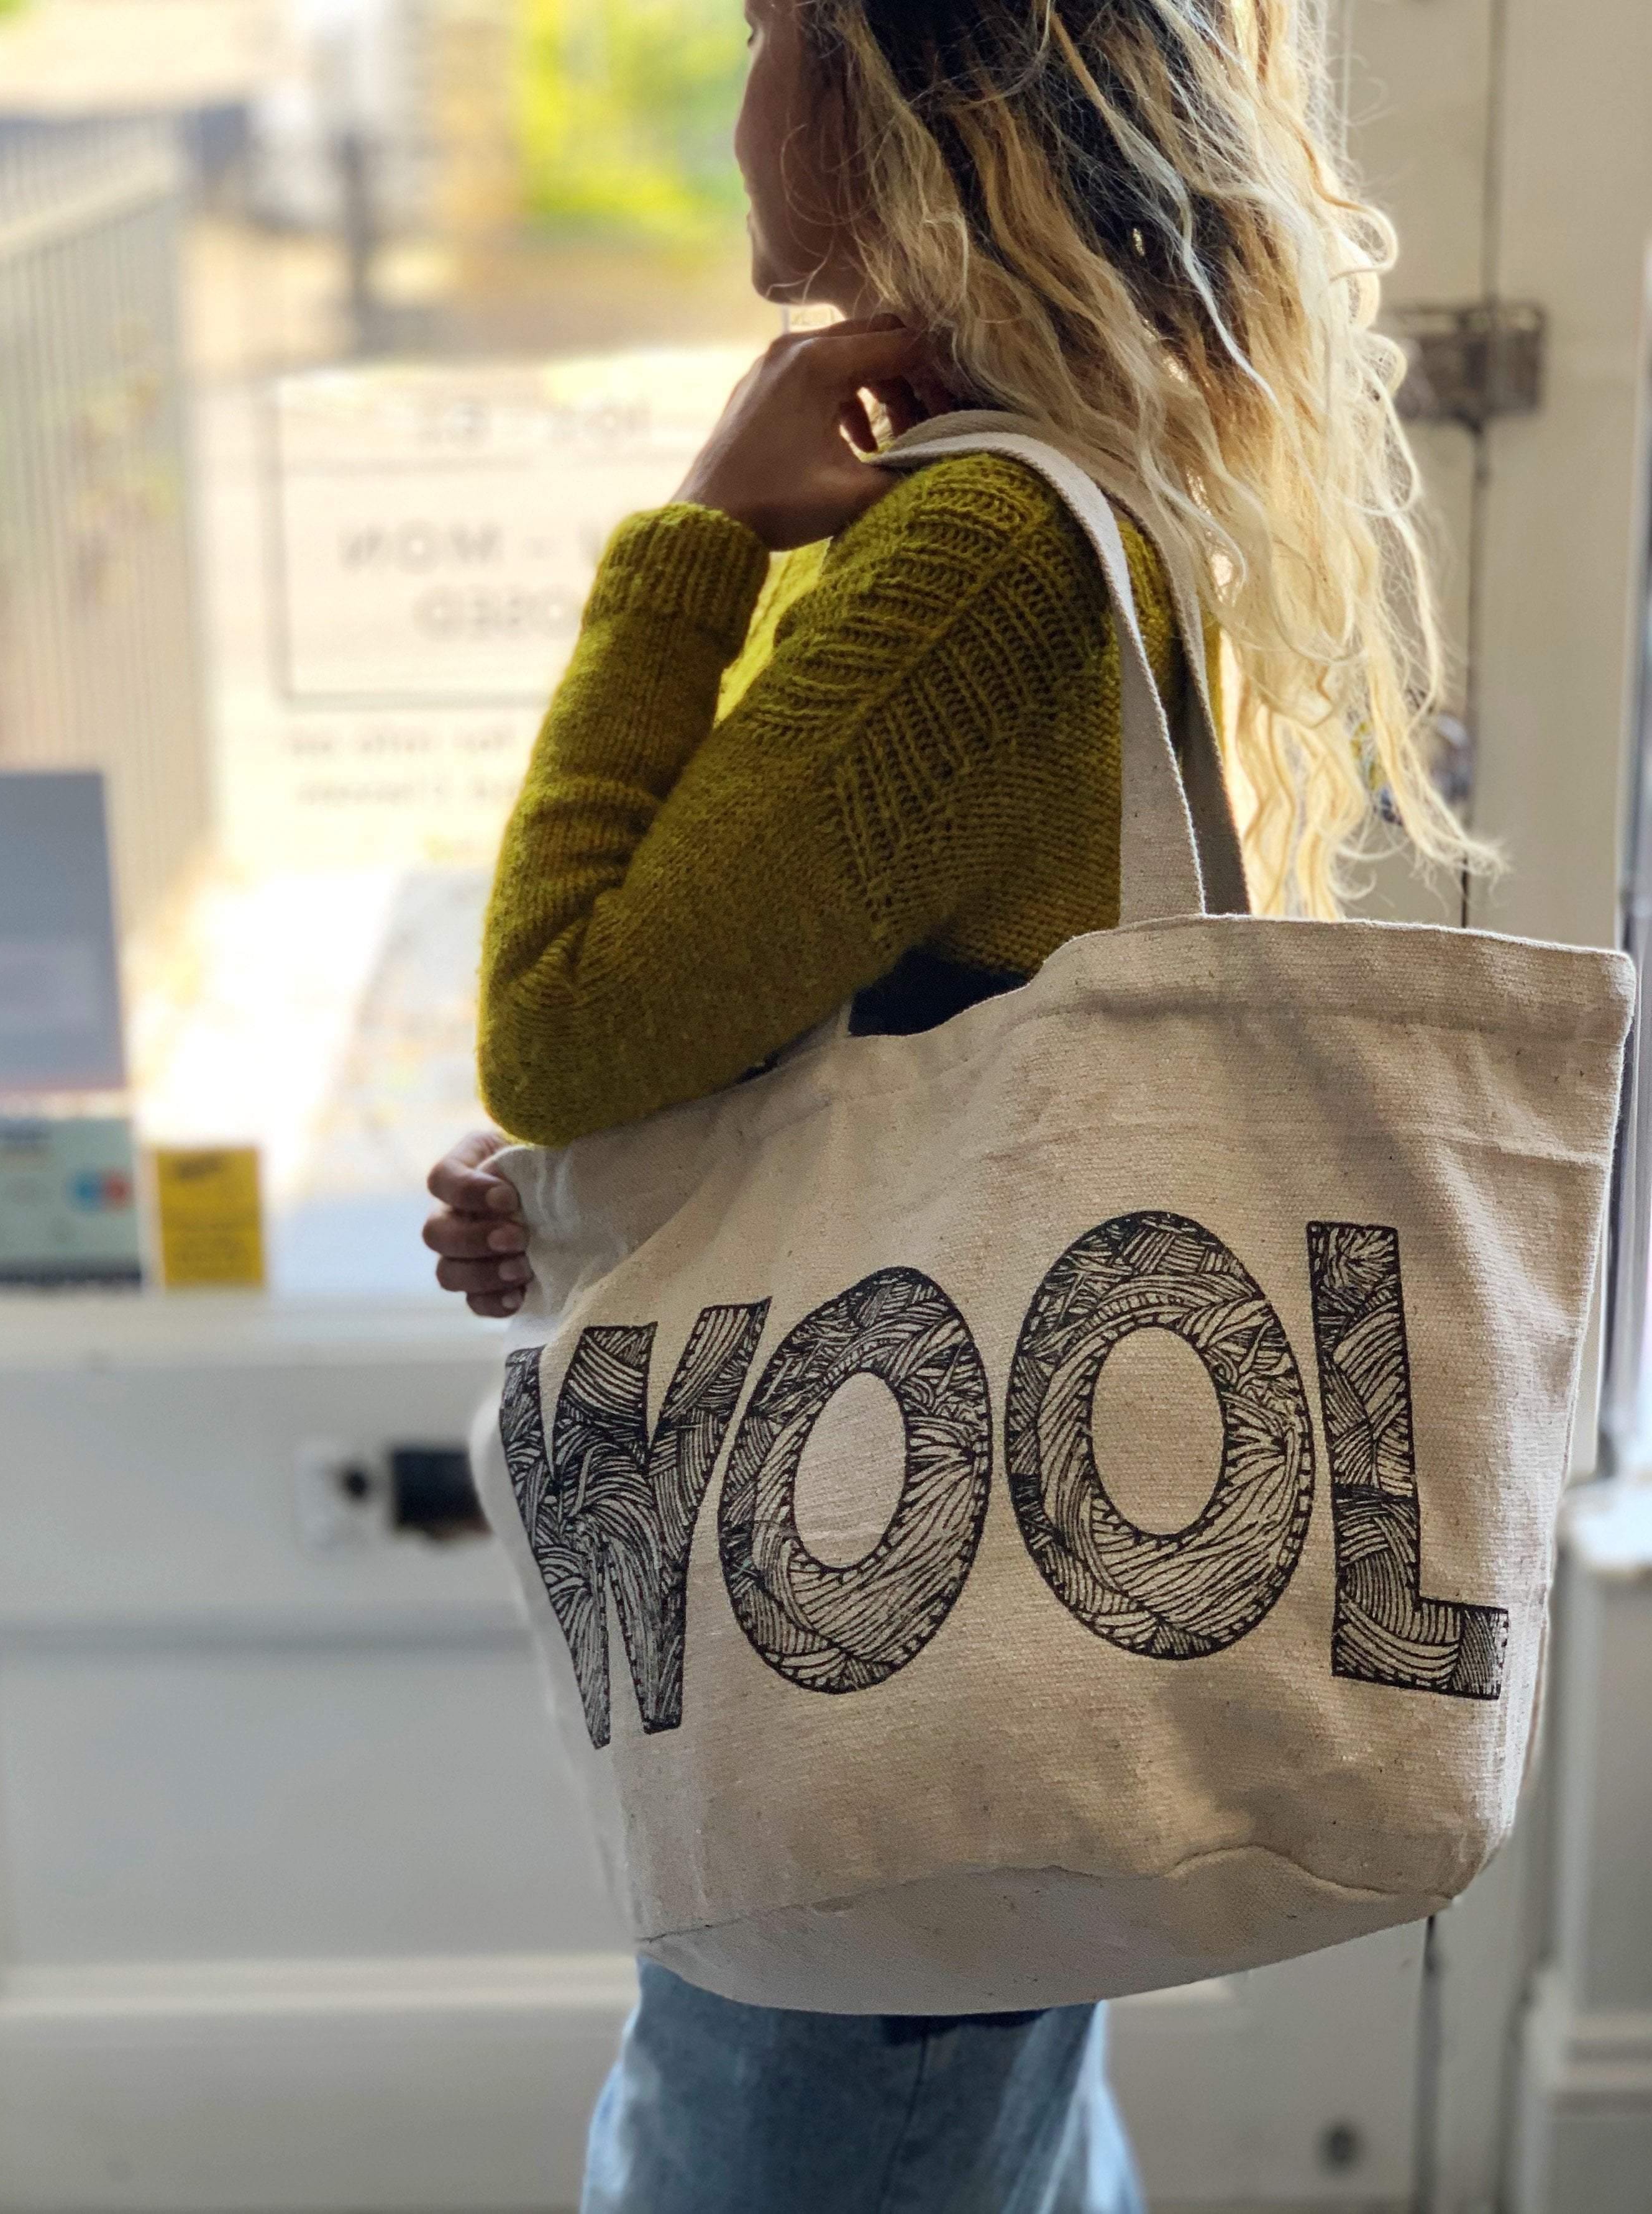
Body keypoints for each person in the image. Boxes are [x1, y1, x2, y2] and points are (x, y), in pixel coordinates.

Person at [424, 3, 1488, 2207]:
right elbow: (824, 1021)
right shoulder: (1024, 509)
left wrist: (694, 540)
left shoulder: (977, 555)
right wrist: (598, 1175)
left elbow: (557, 1009)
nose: (732, 93)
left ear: (875, 83)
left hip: (867, 1629)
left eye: (759, 27)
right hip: (945, 1617)